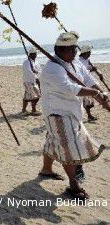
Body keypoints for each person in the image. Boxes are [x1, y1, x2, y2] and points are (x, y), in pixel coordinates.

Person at [39, 32, 109, 199]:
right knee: (70, 147)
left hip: (72, 111)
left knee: (53, 141)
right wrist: (95, 94)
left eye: (75, 50)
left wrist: (100, 94)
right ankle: (73, 185)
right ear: (61, 50)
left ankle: (46, 169)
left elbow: (87, 78)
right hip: (57, 113)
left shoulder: (75, 62)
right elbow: (69, 87)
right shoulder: (52, 68)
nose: (75, 53)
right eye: (71, 50)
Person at [78, 44, 103, 122]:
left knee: (90, 102)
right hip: (84, 83)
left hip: (90, 81)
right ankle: (89, 116)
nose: (90, 53)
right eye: (89, 52)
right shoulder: (79, 61)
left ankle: (89, 115)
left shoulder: (87, 60)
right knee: (88, 101)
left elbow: (93, 68)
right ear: (86, 52)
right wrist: (91, 70)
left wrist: (99, 74)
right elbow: (82, 73)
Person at [21, 47, 42, 116]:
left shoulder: (36, 62)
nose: (34, 55)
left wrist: (39, 77)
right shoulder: (26, 62)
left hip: (35, 81)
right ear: (29, 54)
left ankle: (24, 110)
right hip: (29, 81)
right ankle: (33, 110)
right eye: (32, 54)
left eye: (35, 54)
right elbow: (28, 72)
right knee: (36, 95)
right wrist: (36, 78)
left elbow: (39, 70)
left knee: (27, 96)